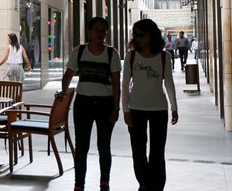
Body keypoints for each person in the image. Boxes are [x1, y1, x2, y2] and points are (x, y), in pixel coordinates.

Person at [60, 17, 121, 191]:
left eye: (103, 31)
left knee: (104, 145)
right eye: (96, 30)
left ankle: (104, 182)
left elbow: (116, 83)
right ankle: (79, 184)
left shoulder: (112, 53)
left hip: (105, 104)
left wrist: (116, 108)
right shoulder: (79, 51)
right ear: (89, 31)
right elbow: (68, 75)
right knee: (82, 146)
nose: (100, 34)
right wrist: (63, 92)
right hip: (83, 103)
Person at [122, 19, 178, 191]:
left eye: (142, 35)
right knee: (138, 151)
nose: (138, 39)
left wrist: (174, 107)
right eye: (136, 35)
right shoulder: (131, 56)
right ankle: (144, 183)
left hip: (159, 109)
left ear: (152, 35)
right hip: (136, 109)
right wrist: (125, 109)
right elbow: (125, 84)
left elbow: (169, 82)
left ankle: (157, 186)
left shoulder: (164, 56)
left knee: (157, 152)